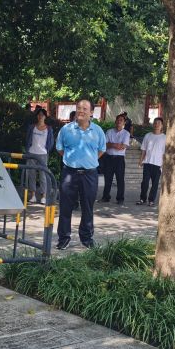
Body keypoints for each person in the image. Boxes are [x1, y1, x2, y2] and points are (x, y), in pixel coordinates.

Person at [56, 99, 106, 249]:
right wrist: (73, 160)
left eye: (85, 108)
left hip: (90, 174)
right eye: (79, 108)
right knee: (65, 207)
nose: (81, 111)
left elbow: (101, 150)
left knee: (88, 207)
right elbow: (60, 149)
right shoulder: (66, 129)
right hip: (69, 173)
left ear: (91, 112)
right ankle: (64, 238)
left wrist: (88, 161)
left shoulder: (98, 131)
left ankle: (86, 238)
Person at [24, 108, 54, 204]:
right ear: (37, 116)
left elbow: (51, 142)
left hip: (43, 154)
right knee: (31, 174)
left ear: (45, 116)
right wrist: (27, 149)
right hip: (32, 152)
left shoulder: (49, 129)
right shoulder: (32, 127)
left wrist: (47, 150)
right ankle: (33, 195)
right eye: (39, 114)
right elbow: (27, 139)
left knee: (43, 175)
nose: (40, 116)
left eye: (42, 115)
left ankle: (43, 196)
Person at [101, 113, 131, 205]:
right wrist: (115, 145)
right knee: (107, 179)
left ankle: (120, 198)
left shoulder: (126, 133)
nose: (119, 122)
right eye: (117, 120)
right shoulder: (109, 132)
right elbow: (105, 145)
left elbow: (123, 146)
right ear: (115, 121)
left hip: (119, 159)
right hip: (109, 158)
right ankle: (106, 197)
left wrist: (111, 144)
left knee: (120, 179)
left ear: (124, 123)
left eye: (121, 120)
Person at [137, 117, 166, 206]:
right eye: (155, 123)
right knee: (144, 182)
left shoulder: (164, 137)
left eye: (159, 123)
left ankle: (151, 200)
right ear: (153, 124)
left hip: (158, 164)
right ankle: (142, 199)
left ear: (162, 126)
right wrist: (141, 160)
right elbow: (144, 150)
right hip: (147, 162)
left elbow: (164, 153)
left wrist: (163, 164)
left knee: (155, 184)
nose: (156, 125)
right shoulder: (148, 135)